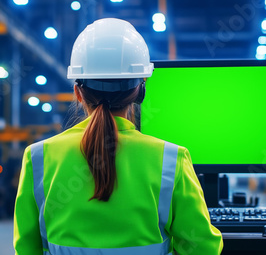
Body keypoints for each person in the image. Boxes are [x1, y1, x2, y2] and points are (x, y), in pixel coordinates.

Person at [13, 18, 223, 255]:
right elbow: (202, 246)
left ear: (78, 92)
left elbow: (26, 247)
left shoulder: (39, 156)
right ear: (140, 91)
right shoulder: (172, 158)